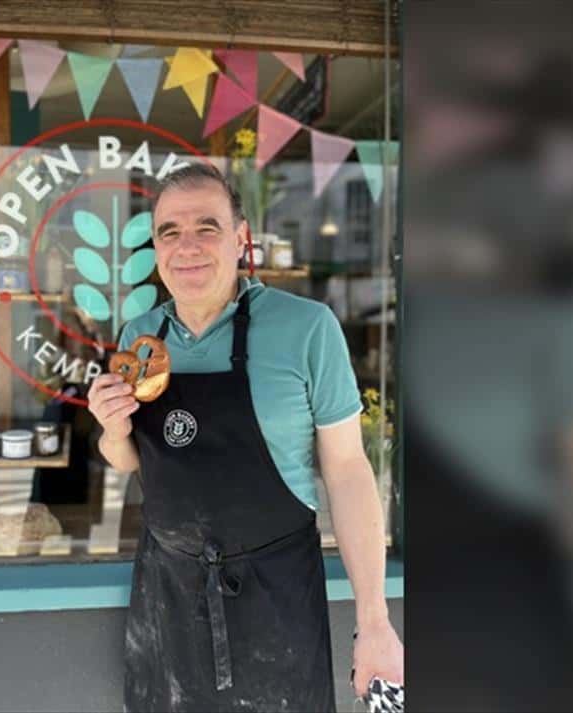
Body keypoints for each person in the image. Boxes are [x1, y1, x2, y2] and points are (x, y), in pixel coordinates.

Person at [87, 162, 403, 712]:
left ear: (240, 239)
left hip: (275, 593)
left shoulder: (307, 328)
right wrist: (112, 430)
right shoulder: (140, 337)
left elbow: (350, 470)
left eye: (206, 227)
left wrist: (374, 620)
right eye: (170, 232)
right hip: (168, 594)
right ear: (156, 249)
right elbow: (128, 460)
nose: (187, 246)